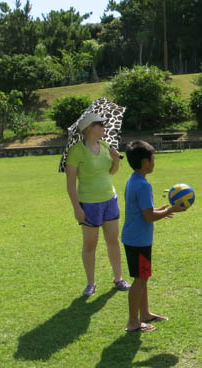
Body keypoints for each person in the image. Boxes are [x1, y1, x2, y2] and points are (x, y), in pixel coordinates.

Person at [120, 141, 185, 333]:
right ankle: (133, 322)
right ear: (145, 162)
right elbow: (148, 217)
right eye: (153, 158)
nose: (154, 162)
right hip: (138, 241)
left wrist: (160, 210)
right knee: (140, 279)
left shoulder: (133, 179)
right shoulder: (143, 186)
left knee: (143, 277)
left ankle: (145, 314)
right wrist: (170, 210)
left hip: (135, 238)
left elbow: (143, 211)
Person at [64, 111, 130, 297]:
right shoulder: (76, 151)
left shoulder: (105, 145)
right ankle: (90, 283)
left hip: (110, 199)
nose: (104, 127)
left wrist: (116, 160)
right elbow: (70, 184)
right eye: (100, 124)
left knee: (113, 241)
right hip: (89, 204)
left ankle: (118, 279)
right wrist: (77, 208)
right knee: (90, 245)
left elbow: (112, 171)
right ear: (90, 128)